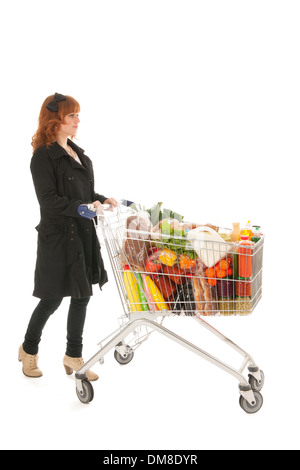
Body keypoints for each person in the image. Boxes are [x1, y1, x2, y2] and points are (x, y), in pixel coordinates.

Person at [19, 93, 117, 381]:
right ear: (55, 119)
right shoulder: (43, 156)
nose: (77, 120)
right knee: (51, 299)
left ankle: (73, 356)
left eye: (77, 115)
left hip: (83, 235)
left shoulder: (80, 155)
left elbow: (83, 195)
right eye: (72, 115)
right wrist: (82, 207)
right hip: (58, 238)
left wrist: (101, 199)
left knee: (82, 295)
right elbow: (48, 200)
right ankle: (28, 349)